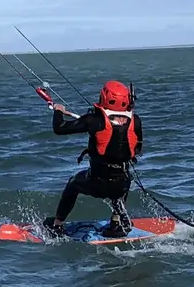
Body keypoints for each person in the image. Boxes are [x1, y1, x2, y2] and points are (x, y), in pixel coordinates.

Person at [42, 79, 140, 238]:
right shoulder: (136, 121)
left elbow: (59, 129)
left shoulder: (93, 120)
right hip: (120, 185)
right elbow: (136, 149)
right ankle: (116, 223)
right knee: (124, 179)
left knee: (73, 184)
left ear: (104, 98)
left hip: (97, 183)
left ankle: (57, 225)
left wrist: (58, 111)